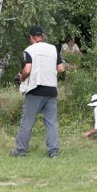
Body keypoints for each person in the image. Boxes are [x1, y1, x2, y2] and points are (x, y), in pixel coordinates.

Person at [11, 26, 65, 158]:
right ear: (43, 36)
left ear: (31, 37)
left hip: (36, 89)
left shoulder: (29, 50)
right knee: (51, 122)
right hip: (51, 89)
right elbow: (61, 68)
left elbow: (28, 70)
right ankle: (53, 151)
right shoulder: (53, 49)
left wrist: (21, 78)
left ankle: (20, 150)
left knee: (27, 121)